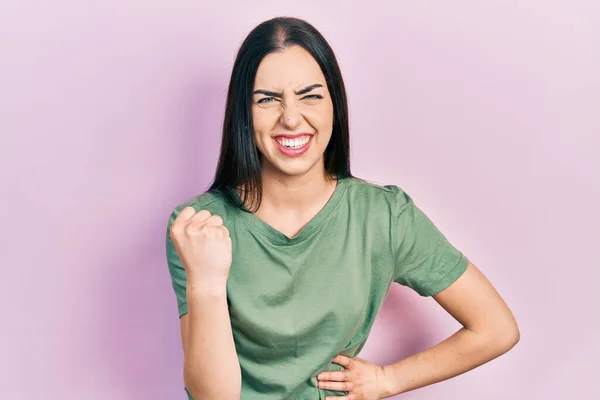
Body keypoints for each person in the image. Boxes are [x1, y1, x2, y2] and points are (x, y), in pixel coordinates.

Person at [165, 16, 520, 400]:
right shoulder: (198, 228)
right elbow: (212, 398)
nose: (290, 117)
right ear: (243, 115)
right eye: (267, 99)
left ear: (335, 105)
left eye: (310, 95)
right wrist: (206, 284)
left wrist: (389, 379)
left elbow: (496, 328)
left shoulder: (384, 216)